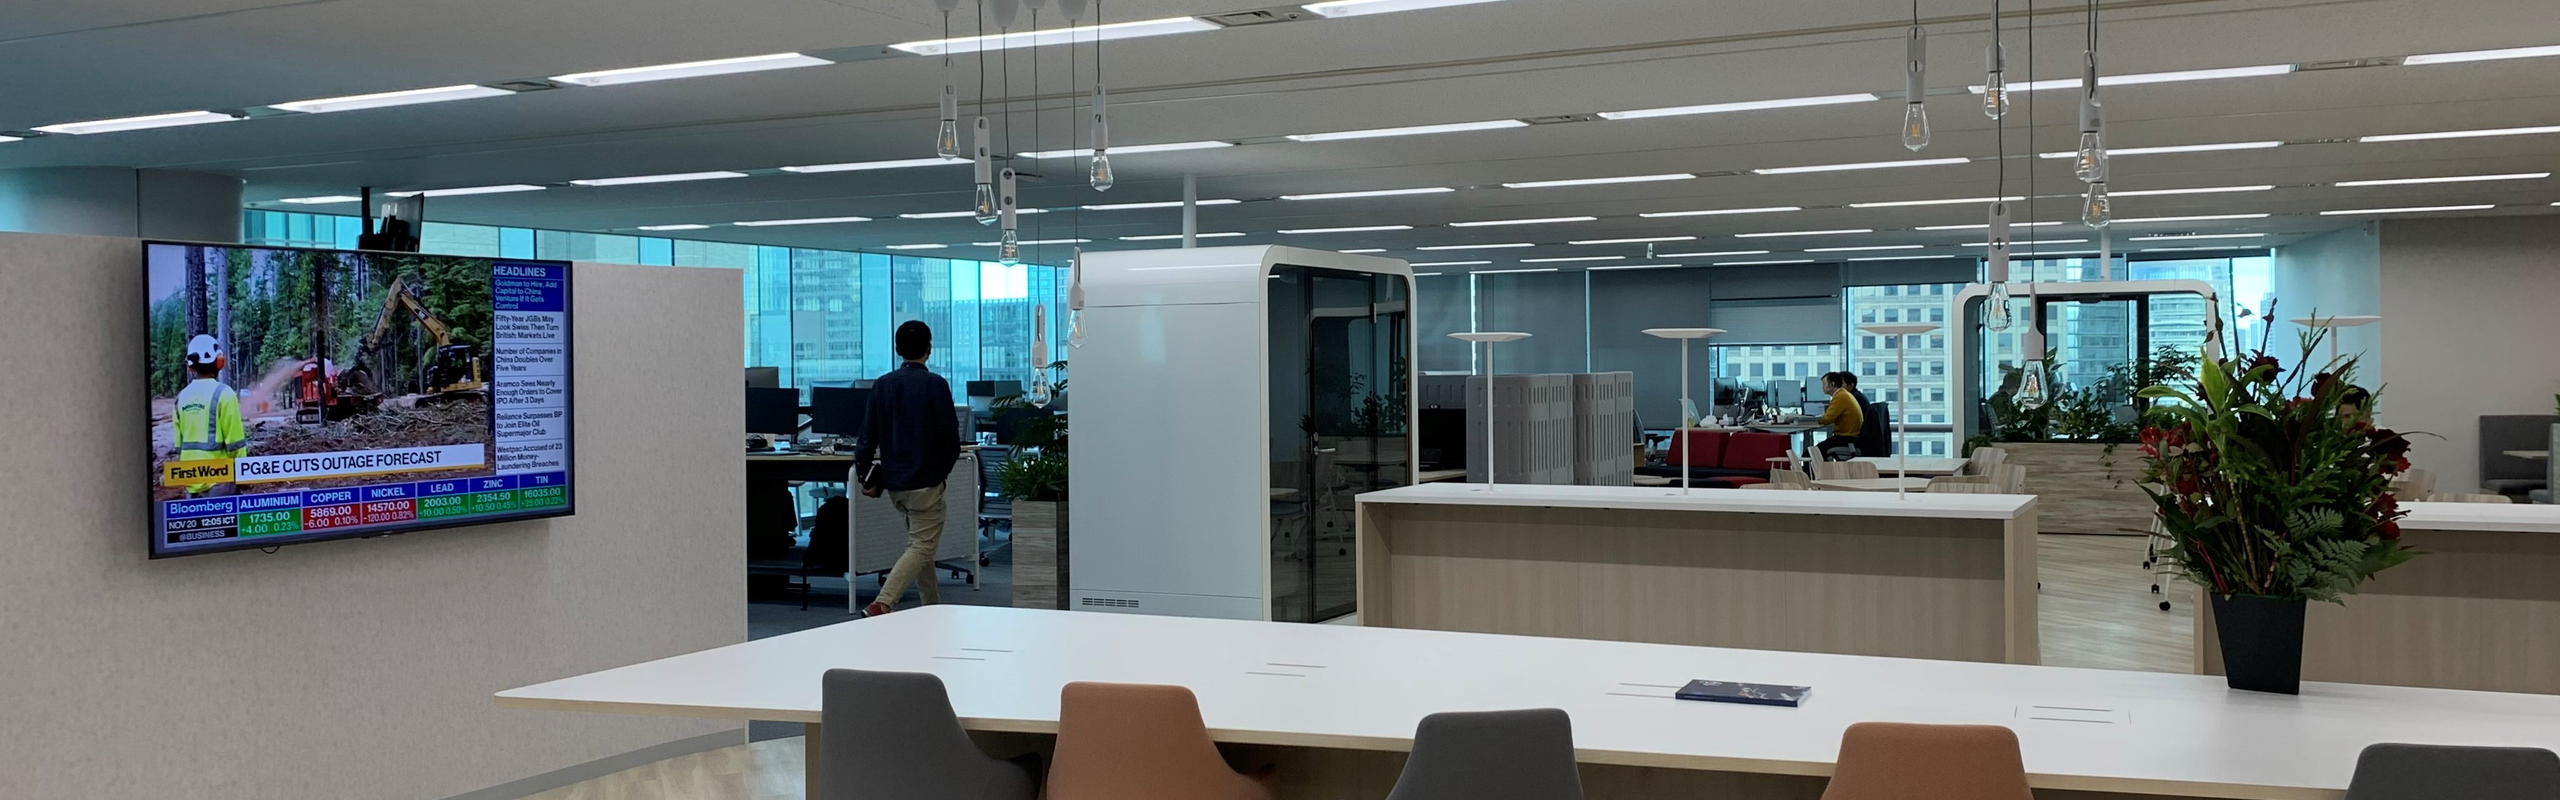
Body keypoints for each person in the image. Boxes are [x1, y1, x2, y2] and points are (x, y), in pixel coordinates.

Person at [852, 321, 961, 617]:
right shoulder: (935, 385)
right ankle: (883, 603)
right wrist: (941, 472)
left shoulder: (882, 384)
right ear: (929, 349)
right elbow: (950, 439)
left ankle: (932, 607)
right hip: (926, 482)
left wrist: (865, 475)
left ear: (897, 349)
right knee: (921, 546)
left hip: (896, 485)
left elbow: (867, 437)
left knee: (921, 544)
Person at [174, 334, 247, 497]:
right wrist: (243, 475)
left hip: (191, 484)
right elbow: (236, 444)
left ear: (191, 367)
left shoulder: (181, 398)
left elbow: (179, 447)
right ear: (218, 361)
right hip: (219, 483)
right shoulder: (224, 394)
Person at [1813, 371, 1863, 461]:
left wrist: (1809, 420)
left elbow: (1826, 419)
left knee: (1812, 453)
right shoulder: (1844, 394)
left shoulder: (1840, 397)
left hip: (1846, 438)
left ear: (1832, 384)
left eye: (1824, 384)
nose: (1822, 387)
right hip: (1851, 437)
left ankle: (1817, 470)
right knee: (1819, 451)